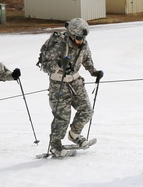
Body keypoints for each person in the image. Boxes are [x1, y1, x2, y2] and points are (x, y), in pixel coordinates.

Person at [37, 17, 103, 157]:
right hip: (58, 83)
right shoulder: (58, 44)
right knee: (62, 118)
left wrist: (93, 71)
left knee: (86, 110)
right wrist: (59, 64)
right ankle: (55, 145)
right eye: (79, 38)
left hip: (75, 81)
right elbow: (45, 65)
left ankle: (74, 134)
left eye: (84, 38)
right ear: (72, 35)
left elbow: (86, 59)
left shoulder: (83, 44)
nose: (82, 40)